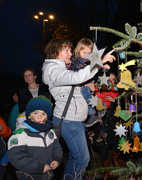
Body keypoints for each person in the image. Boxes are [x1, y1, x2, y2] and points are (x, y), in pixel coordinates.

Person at [42, 38, 115, 180]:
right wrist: (98, 62)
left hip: (74, 120)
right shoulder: (53, 70)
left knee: (76, 157)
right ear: (56, 52)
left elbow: (75, 83)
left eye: (70, 50)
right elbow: (77, 77)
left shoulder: (61, 68)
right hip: (69, 121)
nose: (70, 53)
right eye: (67, 50)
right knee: (82, 158)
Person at [7, 96, 63, 180]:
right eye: (36, 113)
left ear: (47, 117)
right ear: (29, 115)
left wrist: (56, 159)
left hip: (48, 175)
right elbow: (16, 157)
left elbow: (57, 148)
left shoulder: (50, 133)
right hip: (29, 176)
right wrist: (39, 167)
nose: (40, 116)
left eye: (43, 113)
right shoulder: (21, 134)